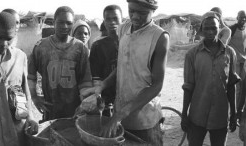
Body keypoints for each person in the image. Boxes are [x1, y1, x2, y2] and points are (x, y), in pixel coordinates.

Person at [86, 0, 169, 145]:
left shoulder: (159, 37)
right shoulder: (124, 29)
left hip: (145, 120)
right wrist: (102, 85)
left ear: (153, 11)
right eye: (131, 11)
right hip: (122, 116)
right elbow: (123, 66)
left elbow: (156, 86)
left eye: (142, 13)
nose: (135, 16)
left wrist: (118, 116)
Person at [181, 11, 240, 146]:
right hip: (197, 115)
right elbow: (188, 87)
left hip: (220, 116)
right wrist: (184, 114)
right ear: (201, 29)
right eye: (206, 28)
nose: (210, 31)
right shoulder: (192, 55)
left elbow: (231, 85)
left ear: (219, 28)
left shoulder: (230, 53)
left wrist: (234, 113)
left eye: (213, 27)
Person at [28, 6, 93, 122]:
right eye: (60, 22)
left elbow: (85, 80)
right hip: (51, 109)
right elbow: (31, 76)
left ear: (72, 24)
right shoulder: (41, 46)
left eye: (68, 23)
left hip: (74, 110)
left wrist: (84, 103)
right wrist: (35, 97)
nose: (64, 26)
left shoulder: (80, 48)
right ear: (54, 23)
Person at [0, 12, 38, 146]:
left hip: (16, 135)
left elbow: (24, 91)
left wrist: (30, 116)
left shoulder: (20, 57)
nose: (3, 43)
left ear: (15, 35)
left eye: (8, 38)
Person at [89, 5, 123, 116]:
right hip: (107, 102)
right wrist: (99, 98)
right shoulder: (98, 46)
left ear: (122, 20)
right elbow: (96, 77)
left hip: (128, 100)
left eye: (115, 19)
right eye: (108, 19)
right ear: (104, 21)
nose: (112, 22)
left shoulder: (130, 43)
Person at [229, 10, 246, 112]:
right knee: (236, 88)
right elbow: (225, 42)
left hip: (243, 62)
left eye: (245, 17)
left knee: (242, 88)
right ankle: (233, 111)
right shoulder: (232, 29)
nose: (243, 19)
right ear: (237, 17)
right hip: (234, 62)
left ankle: (238, 111)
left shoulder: (244, 29)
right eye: (241, 17)